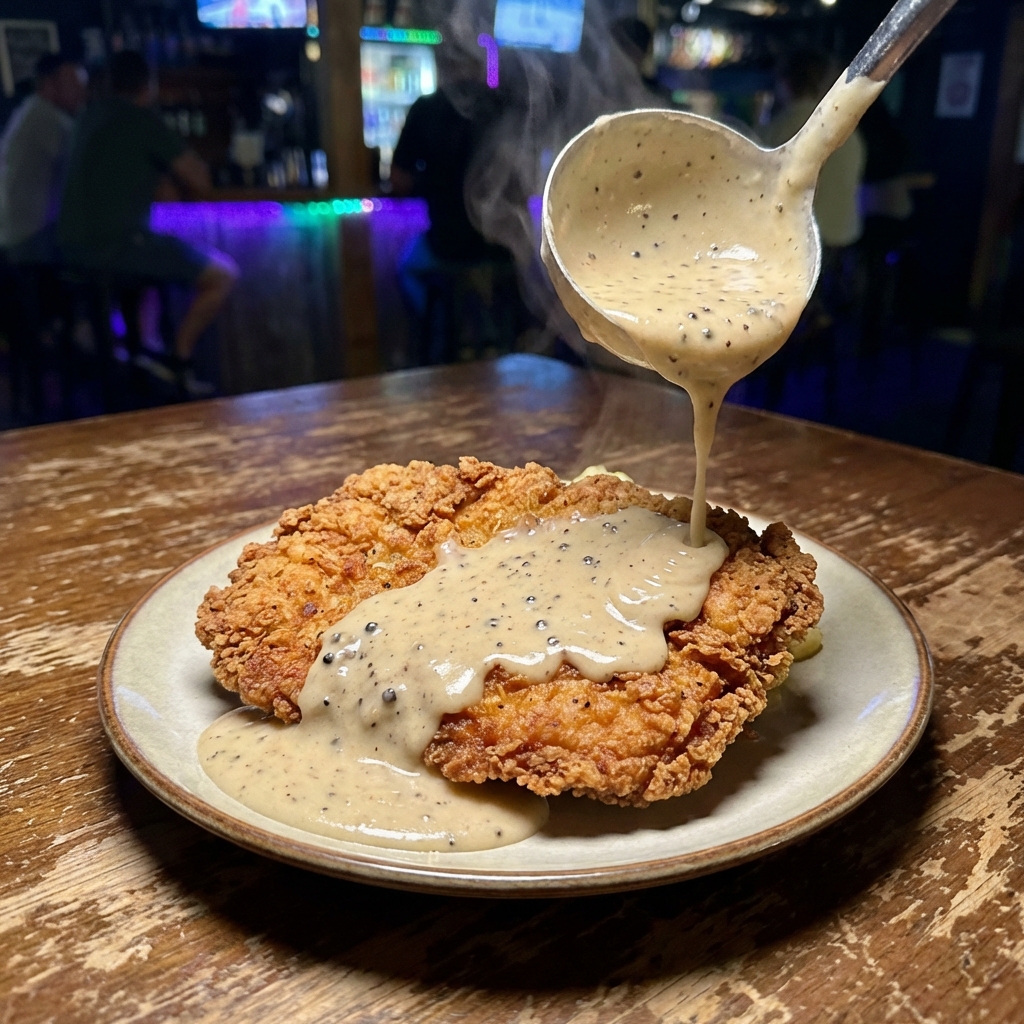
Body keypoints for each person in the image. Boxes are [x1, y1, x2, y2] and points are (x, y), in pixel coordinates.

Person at [58, 50, 237, 397]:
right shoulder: (141, 120)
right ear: (148, 85)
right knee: (223, 275)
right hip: (117, 247)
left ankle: (136, 353)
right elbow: (200, 181)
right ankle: (177, 361)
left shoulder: (86, 117)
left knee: (149, 265)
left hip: (69, 250)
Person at [762, 49, 866, 250]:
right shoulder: (849, 128)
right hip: (844, 242)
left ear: (785, 82)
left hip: (797, 247)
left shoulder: (778, 129)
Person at [0, 52, 87, 264]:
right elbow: (86, 162)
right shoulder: (47, 118)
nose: (81, 92)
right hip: (30, 239)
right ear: (49, 85)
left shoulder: (30, 110)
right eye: (73, 84)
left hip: (14, 236)